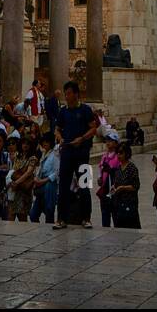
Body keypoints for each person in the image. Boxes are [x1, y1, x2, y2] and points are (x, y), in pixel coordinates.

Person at [53, 81, 98, 229]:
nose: (67, 96)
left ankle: (86, 218)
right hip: (67, 153)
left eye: (69, 93)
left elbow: (93, 129)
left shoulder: (85, 110)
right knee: (64, 187)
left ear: (76, 94)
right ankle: (61, 218)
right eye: (65, 93)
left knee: (84, 185)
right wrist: (60, 138)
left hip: (82, 154)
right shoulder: (63, 111)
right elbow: (57, 129)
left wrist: (82, 139)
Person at [29, 131, 60, 223]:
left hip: (49, 185)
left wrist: (43, 181)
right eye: (44, 141)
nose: (45, 143)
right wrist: (36, 178)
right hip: (40, 186)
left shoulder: (55, 154)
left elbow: (56, 172)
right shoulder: (43, 154)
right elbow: (40, 170)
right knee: (33, 215)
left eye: (47, 141)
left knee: (49, 211)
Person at [109, 141, 141, 227]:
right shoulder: (118, 168)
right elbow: (116, 183)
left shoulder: (132, 168)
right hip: (119, 203)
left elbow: (135, 186)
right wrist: (114, 187)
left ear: (127, 154)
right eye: (117, 153)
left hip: (129, 203)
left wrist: (123, 188)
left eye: (121, 153)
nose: (119, 155)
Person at [9, 135, 37, 221]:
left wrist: (16, 182)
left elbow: (28, 173)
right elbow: (13, 170)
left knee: (22, 217)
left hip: (24, 191)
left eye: (28, 144)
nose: (25, 145)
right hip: (14, 190)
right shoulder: (18, 157)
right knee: (11, 215)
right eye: (24, 143)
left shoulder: (33, 158)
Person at [97, 135, 121, 227]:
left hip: (114, 188)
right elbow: (100, 167)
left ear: (115, 143)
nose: (108, 143)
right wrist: (99, 177)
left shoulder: (117, 156)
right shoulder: (104, 156)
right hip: (104, 188)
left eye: (110, 141)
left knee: (115, 212)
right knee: (105, 213)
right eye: (107, 140)